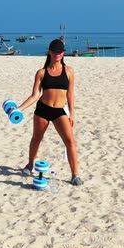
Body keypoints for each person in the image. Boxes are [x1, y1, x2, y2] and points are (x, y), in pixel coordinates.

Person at [17, 39, 83, 186]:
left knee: (70, 141)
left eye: (60, 51)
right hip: (42, 109)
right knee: (36, 138)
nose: (58, 54)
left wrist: (72, 114)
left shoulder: (69, 71)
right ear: (50, 52)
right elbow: (34, 95)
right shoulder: (41, 73)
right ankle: (29, 165)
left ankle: (75, 175)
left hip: (59, 111)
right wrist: (19, 108)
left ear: (63, 53)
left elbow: (70, 95)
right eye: (55, 51)